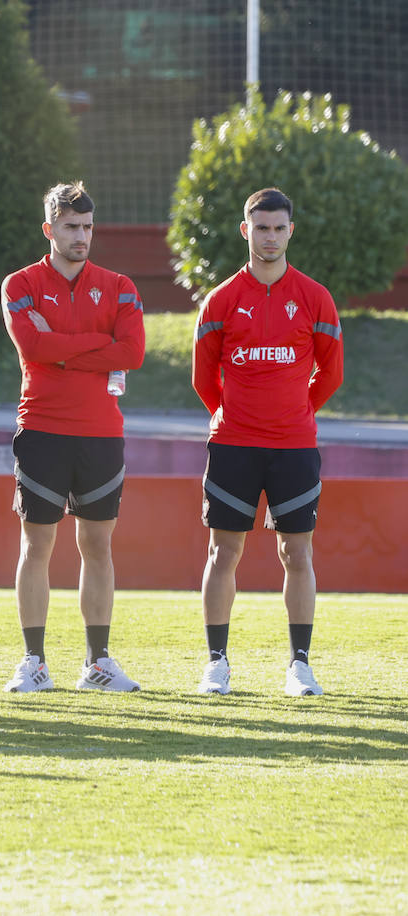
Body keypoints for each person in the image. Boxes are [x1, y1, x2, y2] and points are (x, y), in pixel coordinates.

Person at [192, 187, 343, 697]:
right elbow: (202, 379)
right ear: (245, 230)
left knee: (296, 553)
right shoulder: (221, 300)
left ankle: (300, 665)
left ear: (290, 231)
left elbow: (331, 374)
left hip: (294, 447)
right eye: (261, 228)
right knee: (222, 551)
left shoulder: (315, 297)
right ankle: (217, 664)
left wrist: (295, 414)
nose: (270, 237)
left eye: (279, 228)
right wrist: (233, 417)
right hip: (233, 445)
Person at [0, 182, 146, 694]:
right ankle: (34, 661)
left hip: (102, 433)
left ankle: (97, 662)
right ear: (50, 229)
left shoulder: (121, 285)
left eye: (87, 227)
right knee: (36, 544)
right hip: (41, 428)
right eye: (71, 227)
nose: (81, 236)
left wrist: (60, 348)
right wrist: (97, 343)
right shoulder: (19, 284)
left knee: (97, 546)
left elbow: (132, 353)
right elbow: (31, 345)